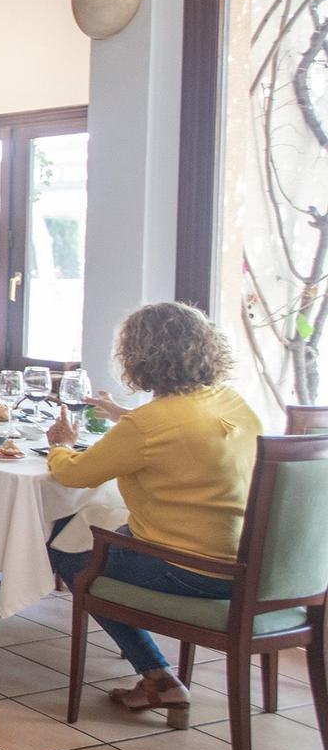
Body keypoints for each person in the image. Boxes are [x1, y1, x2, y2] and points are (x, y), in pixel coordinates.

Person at [41, 302, 262, 723]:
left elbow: (76, 474)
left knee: (69, 552)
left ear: (138, 356)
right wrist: (127, 418)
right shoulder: (232, 403)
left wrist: (60, 445)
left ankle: (157, 675)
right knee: (99, 525)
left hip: (190, 571)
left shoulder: (150, 424)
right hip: (249, 566)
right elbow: (183, 433)